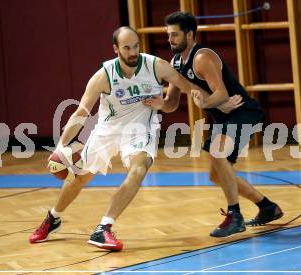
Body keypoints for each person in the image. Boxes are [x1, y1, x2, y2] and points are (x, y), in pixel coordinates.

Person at [29, 26, 197, 251]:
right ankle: (53, 217)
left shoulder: (155, 66)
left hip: (140, 129)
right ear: (116, 49)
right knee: (79, 178)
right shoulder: (104, 75)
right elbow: (81, 112)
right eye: (127, 47)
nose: (133, 52)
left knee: (139, 169)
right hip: (108, 129)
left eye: (136, 46)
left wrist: (213, 98)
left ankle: (103, 228)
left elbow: (188, 87)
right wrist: (60, 145)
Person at [144, 11, 283, 238]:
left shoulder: (202, 58)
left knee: (218, 153)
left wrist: (207, 102)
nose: (170, 40)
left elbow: (221, 93)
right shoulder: (176, 62)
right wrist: (159, 103)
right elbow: (171, 103)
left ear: (189, 35)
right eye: (168, 35)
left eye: (175, 35)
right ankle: (267, 207)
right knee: (216, 175)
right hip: (224, 117)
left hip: (242, 112)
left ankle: (234, 215)